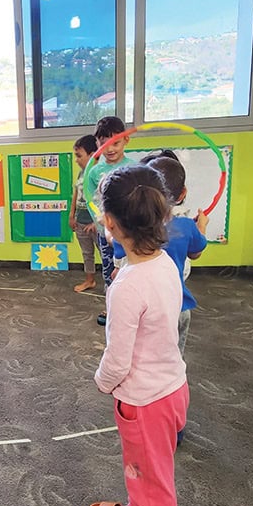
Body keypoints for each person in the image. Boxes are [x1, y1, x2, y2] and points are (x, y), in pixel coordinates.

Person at [90, 164, 189, 506]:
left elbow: (118, 360)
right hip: (173, 387)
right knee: (152, 470)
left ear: (110, 224)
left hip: (145, 403)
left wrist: (101, 382)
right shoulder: (164, 263)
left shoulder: (126, 287)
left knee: (152, 481)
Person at [112, 153, 209, 358]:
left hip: (145, 309)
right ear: (182, 194)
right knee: (173, 358)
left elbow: (119, 253)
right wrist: (200, 227)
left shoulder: (133, 229)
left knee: (143, 357)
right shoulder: (185, 226)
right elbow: (196, 252)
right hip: (178, 306)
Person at [84, 117, 133, 325]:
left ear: (126, 140)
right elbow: (91, 199)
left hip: (130, 231)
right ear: (98, 144)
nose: (110, 149)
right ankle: (110, 307)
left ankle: (131, 306)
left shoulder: (133, 168)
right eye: (104, 143)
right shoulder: (95, 172)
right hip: (107, 231)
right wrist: (100, 220)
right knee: (108, 269)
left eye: (116, 142)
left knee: (130, 268)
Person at [70, 134, 100, 292]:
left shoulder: (98, 174)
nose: (76, 160)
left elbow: (104, 201)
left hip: (97, 225)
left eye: (79, 155)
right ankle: (90, 280)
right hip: (80, 221)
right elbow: (76, 194)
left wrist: (96, 223)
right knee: (87, 253)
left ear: (92, 154)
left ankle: (112, 283)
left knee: (106, 254)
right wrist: (72, 215)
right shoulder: (81, 173)